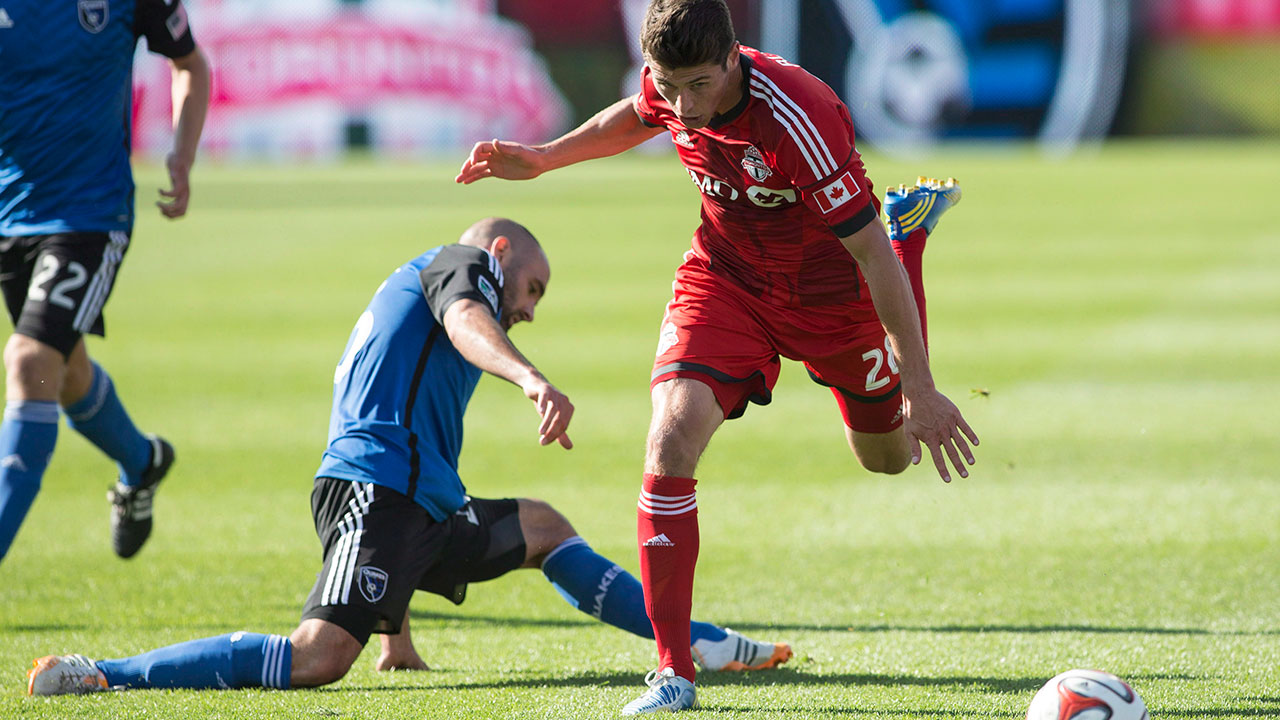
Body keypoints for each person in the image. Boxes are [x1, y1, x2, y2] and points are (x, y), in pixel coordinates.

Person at [455, 1, 979, 713]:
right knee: (670, 437)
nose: (683, 104)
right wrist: (545, 158)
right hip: (727, 280)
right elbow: (634, 116)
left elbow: (865, 253)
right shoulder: (671, 88)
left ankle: (908, 234)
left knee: (887, 458)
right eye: (669, 85)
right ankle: (674, 674)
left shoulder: (798, 112)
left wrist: (918, 382)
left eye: (698, 85)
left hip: (835, 296)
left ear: (734, 58)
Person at [26, 218, 791, 697]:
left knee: (545, 528)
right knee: (317, 659)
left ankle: (692, 643)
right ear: (498, 254)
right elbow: (465, 320)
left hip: (415, 499)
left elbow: (420, 417)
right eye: (532, 287)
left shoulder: (433, 298)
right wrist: (529, 376)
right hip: (374, 490)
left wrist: (398, 633)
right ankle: (105, 673)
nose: (529, 307)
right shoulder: (457, 268)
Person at [0, 0, 211, 564]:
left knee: (29, 361)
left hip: (89, 218)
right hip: (9, 215)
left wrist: (182, 157)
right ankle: (143, 463)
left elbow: (189, 63)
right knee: (65, 374)